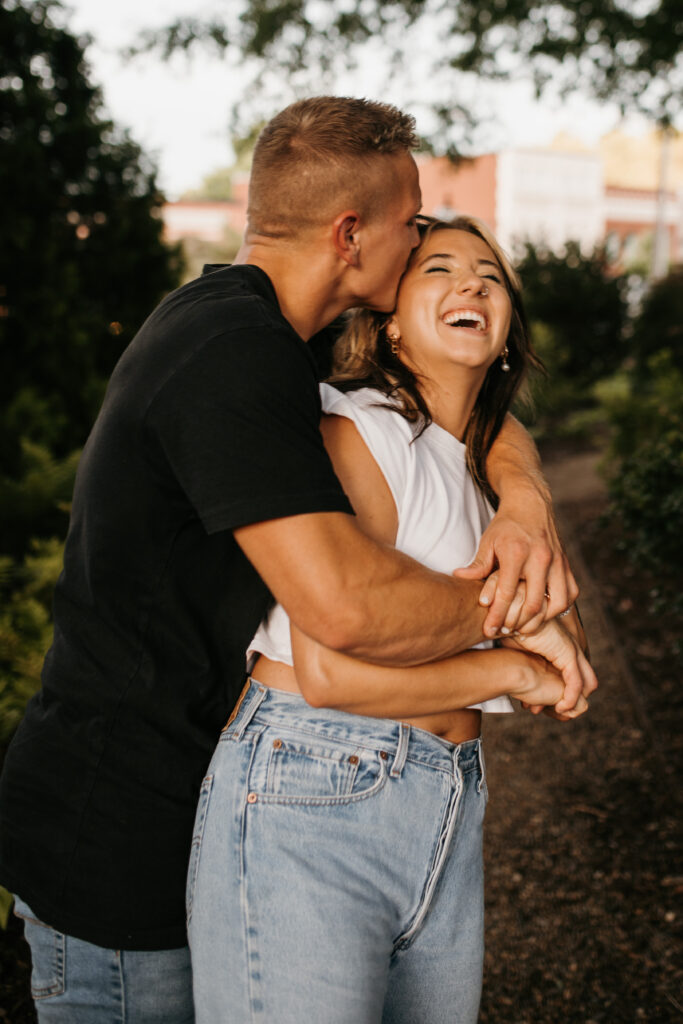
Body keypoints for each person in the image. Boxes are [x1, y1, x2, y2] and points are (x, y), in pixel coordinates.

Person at [1, 98, 578, 1023]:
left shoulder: (271, 335)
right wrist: (520, 623)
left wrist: (524, 498)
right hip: (121, 840)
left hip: (210, 805)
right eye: (413, 223)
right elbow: (345, 608)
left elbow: (468, 410)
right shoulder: (233, 353)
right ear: (352, 233)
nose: (424, 234)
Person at [188, 215, 597, 1023]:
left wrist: (523, 495)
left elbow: (568, 655)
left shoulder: (493, 474)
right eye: (437, 269)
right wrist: (510, 665)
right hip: (310, 780)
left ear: (507, 329)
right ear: (389, 328)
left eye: (488, 274)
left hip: (444, 802)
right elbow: (331, 674)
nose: (472, 283)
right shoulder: (361, 435)